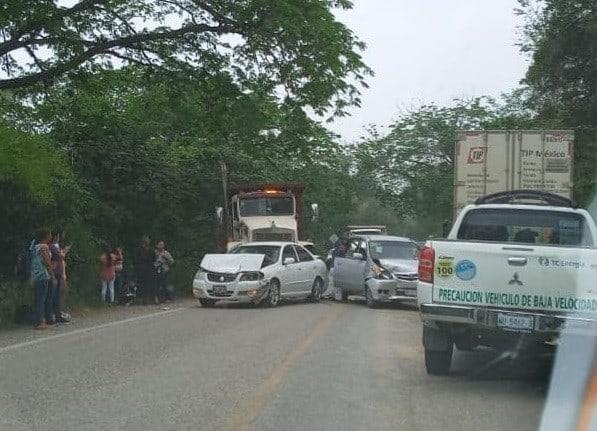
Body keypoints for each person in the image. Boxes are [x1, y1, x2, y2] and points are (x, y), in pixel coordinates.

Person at [30, 229, 56, 330]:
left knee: (38, 298)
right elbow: (47, 263)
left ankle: (39, 319)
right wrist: (53, 277)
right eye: (49, 235)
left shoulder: (34, 247)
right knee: (42, 299)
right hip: (43, 275)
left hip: (36, 275)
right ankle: (39, 321)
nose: (51, 237)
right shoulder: (44, 247)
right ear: (46, 236)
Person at [135, 236, 156, 304]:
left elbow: (154, 259)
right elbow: (136, 260)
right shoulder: (139, 250)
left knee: (147, 284)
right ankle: (140, 299)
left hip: (148, 269)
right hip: (141, 269)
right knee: (141, 284)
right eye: (146, 241)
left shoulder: (151, 250)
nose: (147, 242)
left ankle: (146, 299)